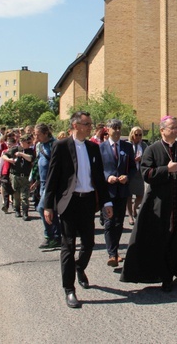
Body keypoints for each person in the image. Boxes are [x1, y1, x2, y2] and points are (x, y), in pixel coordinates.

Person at [43, 111, 112, 309]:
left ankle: (79, 267)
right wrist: (48, 205)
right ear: (75, 125)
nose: (91, 126)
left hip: (88, 201)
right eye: (87, 123)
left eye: (90, 123)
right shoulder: (62, 146)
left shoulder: (92, 147)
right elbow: (52, 177)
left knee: (89, 244)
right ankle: (69, 289)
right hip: (69, 202)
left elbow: (99, 177)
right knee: (68, 245)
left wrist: (107, 203)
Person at [121, 116, 177, 292]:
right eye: (172, 128)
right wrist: (166, 170)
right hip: (160, 206)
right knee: (164, 241)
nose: (176, 131)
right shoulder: (152, 150)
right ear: (162, 130)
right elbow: (146, 173)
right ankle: (166, 276)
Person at [99, 119, 136, 267]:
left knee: (119, 222)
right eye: (115, 128)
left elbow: (133, 168)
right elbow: (97, 170)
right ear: (108, 129)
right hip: (107, 191)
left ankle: (115, 249)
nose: (118, 131)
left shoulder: (127, 147)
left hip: (122, 191)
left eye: (119, 128)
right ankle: (112, 254)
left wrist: (127, 177)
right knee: (109, 222)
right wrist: (107, 177)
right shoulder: (101, 148)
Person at [34, 124, 60, 249]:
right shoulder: (39, 145)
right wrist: (34, 179)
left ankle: (49, 236)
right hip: (43, 182)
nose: (35, 136)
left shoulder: (55, 144)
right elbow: (37, 163)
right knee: (51, 211)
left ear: (45, 133)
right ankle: (57, 236)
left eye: (38, 134)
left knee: (42, 208)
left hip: (52, 183)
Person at [2, 133, 35, 219]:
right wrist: (10, 159)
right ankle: (17, 210)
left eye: (29, 143)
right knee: (16, 195)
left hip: (25, 176)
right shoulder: (15, 148)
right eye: (26, 142)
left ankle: (25, 212)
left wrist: (21, 154)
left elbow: (31, 158)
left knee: (25, 196)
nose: (28, 144)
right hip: (15, 176)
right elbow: (4, 155)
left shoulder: (30, 151)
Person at [126, 126, 147, 224]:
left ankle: (134, 208)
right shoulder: (127, 145)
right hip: (129, 172)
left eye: (140, 134)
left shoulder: (143, 145)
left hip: (139, 173)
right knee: (129, 196)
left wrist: (141, 158)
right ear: (132, 134)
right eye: (136, 134)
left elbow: (147, 157)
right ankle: (130, 216)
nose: (138, 137)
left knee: (140, 195)